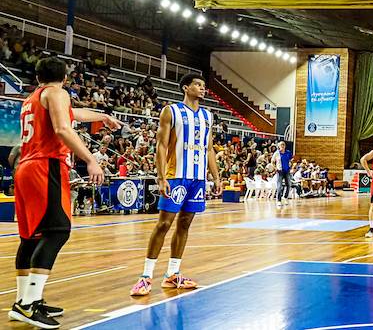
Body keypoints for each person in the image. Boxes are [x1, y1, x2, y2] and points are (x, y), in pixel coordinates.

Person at [11, 57, 120, 328]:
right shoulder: (57, 93)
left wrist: (103, 116)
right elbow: (63, 128)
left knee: (31, 237)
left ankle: (24, 300)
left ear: (37, 77)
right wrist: (90, 159)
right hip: (45, 166)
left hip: (25, 167)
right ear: (66, 78)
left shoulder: (33, 98)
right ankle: (28, 304)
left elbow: (75, 113)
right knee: (57, 231)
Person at [130, 73, 222, 297]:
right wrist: (161, 177)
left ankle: (172, 274)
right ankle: (145, 276)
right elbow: (161, 145)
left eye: (203, 85)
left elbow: (209, 148)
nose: (202, 89)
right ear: (185, 88)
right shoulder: (170, 111)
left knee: (185, 224)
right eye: (198, 85)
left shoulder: (208, 116)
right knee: (164, 224)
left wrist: (216, 176)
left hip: (197, 178)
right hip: (175, 175)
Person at [274, 141, 292, 206]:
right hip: (280, 171)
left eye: (283, 145)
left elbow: (291, 160)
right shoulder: (276, 153)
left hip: (287, 170)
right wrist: (275, 168)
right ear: (279, 146)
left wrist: (290, 165)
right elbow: (272, 161)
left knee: (289, 184)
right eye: (281, 145)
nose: (282, 146)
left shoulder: (288, 152)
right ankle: (278, 200)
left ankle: (285, 197)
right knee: (279, 186)